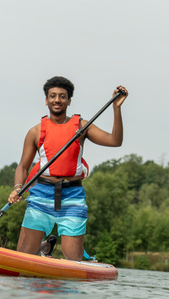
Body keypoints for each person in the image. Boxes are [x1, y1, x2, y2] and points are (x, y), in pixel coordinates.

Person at [8, 76, 128, 261]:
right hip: (41, 194)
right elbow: (23, 167)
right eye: (53, 96)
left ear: (69, 101)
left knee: (73, 260)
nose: (57, 100)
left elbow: (115, 141)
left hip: (72, 196)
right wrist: (17, 188)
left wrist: (116, 108)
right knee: (22, 257)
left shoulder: (82, 126)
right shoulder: (35, 131)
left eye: (62, 96)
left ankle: (53, 250)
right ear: (46, 100)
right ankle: (44, 247)